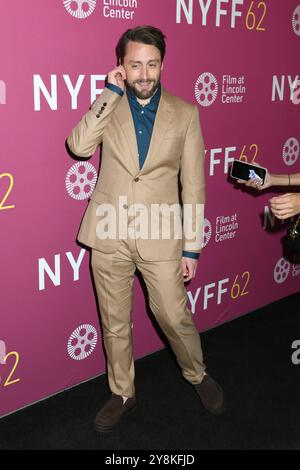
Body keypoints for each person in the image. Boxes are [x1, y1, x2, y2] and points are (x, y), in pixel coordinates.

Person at [67, 25, 225, 432]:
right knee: (114, 320)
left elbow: (193, 185)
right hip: (108, 232)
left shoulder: (186, 113)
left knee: (174, 315)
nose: (143, 73)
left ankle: (197, 373)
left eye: (151, 64)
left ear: (162, 64)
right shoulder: (110, 102)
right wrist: (109, 93)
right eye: (134, 64)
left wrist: (192, 248)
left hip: (161, 235)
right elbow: (80, 146)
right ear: (121, 65)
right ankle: (123, 392)